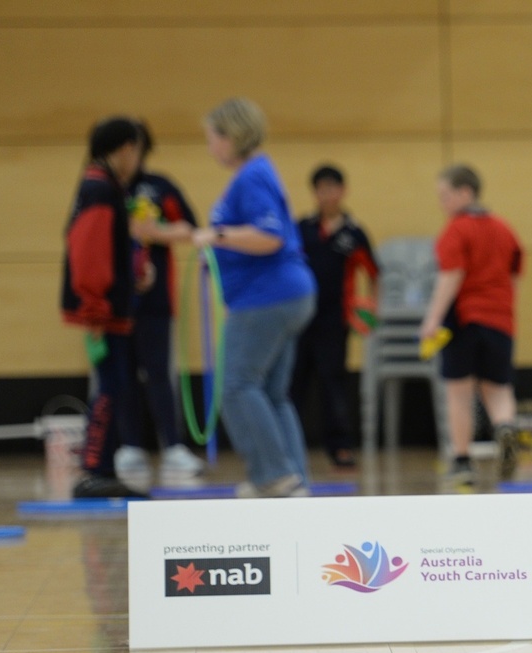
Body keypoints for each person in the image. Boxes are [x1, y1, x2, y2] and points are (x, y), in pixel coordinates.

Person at [189, 98, 317, 498]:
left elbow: (269, 235)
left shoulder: (251, 177)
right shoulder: (257, 173)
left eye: (213, 138)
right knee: (272, 394)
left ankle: (273, 476)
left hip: (266, 297)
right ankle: (293, 478)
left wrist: (218, 236)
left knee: (238, 386)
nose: (210, 148)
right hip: (287, 294)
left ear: (230, 137)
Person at [419, 165, 524, 484]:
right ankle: (505, 426)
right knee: (498, 389)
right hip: (500, 320)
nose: (442, 203)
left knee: (459, 392)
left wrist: (432, 320)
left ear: (465, 192)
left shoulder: (456, 229)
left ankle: (462, 460)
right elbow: (515, 274)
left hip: (463, 321)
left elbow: (451, 275)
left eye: (445, 195)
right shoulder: (504, 229)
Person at [60, 116, 148, 498]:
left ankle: (104, 468)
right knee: (109, 389)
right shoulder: (100, 188)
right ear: (126, 148)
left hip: (109, 308)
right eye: (138, 150)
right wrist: (95, 308)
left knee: (116, 385)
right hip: (104, 311)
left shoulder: (104, 185)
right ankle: (94, 468)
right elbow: (89, 252)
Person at [120, 119, 206, 488]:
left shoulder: (159, 187)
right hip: (114, 303)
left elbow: (190, 228)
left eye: (134, 146)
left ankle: (172, 445)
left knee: (159, 372)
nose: (127, 155)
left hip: (154, 300)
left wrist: (154, 232)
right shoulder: (102, 190)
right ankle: (128, 446)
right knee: (119, 375)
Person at [292, 164, 380, 470]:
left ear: (343, 191)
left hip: (334, 322)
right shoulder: (301, 228)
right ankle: (289, 448)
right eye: (321, 188)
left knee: (333, 384)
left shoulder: (354, 233)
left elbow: (373, 273)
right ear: (314, 192)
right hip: (298, 320)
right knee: (294, 384)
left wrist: (369, 311)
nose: (327, 194)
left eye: (333, 187)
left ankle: (340, 446)